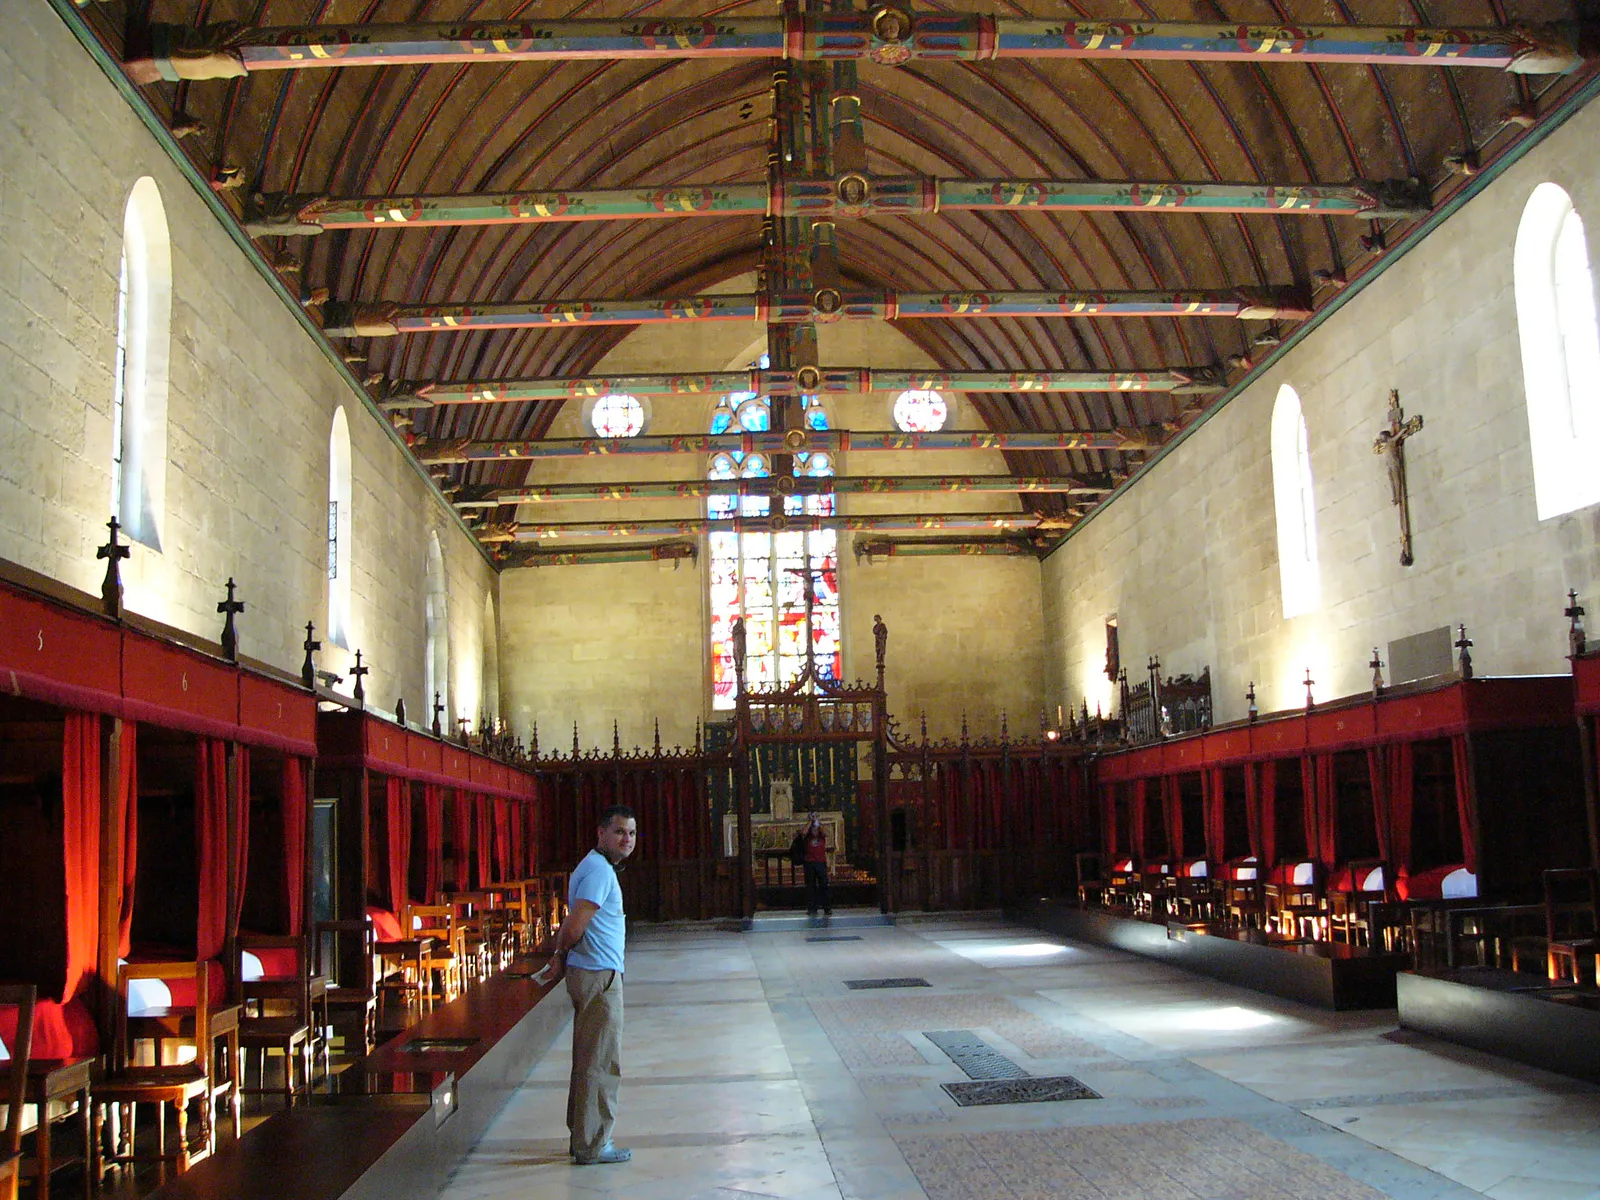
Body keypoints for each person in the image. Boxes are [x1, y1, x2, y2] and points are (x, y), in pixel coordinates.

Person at [539, 805, 638, 1166]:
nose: (626, 840)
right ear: (601, 833)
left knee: (588, 1059)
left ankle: (582, 1136)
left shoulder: (595, 867)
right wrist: (559, 953)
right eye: (619, 832)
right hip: (599, 976)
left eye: (631, 833)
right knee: (600, 1062)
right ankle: (593, 1144)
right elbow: (576, 922)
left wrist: (562, 955)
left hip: (594, 971)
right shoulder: (598, 871)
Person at [801, 813, 831, 918]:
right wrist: (810, 821)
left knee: (824, 885)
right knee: (810, 886)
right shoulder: (807, 837)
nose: (814, 831)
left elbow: (827, 833)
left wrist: (818, 822)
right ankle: (812, 908)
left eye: (815, 829)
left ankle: (827, 907)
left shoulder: (821, 836)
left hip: (820, 862)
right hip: (809, 863)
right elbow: (803, 832)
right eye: (813, 829)